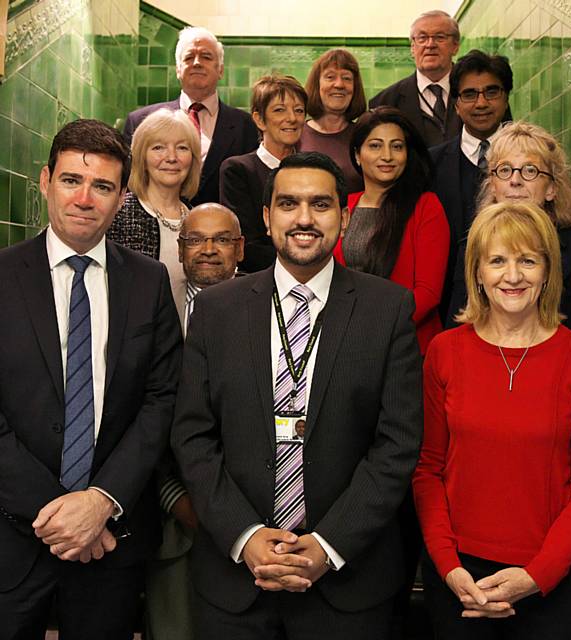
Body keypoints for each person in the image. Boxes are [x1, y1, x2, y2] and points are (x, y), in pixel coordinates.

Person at [171, 151, 423, 639]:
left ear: (344, 216)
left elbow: (397, 445)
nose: (304, 218)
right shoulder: (217, 310)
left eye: (321, 204)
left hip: (348, 585)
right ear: (266, 217)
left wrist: (328, 545)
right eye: (288, 203)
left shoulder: (387, 309)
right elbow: (193, 438)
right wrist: (246, 538)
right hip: (235, 584)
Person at [0, 119, 182, 639]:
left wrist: (101, 500)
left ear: (122, 197)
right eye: (71, 180)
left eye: (102, 186)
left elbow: (162, 398)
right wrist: (59, 514)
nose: (85, 198)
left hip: (113, 539)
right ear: (44, 180)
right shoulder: (2, 277)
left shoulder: (149, 282)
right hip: (11, 537)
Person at [413, 201, 571, 640]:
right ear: (476, 272)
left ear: (548, 271)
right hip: (458, 579)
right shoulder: (443, 352)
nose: (512, 276)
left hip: (554, 583)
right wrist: (449, 567)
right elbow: (427, 470)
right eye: (497, 260)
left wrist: (536, 576)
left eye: (527, 260)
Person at [144, 203, 244, 640]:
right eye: (194, 239)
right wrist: (173, 497)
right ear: (180, 249)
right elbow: (144, 408)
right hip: (172, 515)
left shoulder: (275, 307)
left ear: (240, 249)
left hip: (251, 512)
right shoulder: (150, 304)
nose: (207, 249)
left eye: (221, 239)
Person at [447, 121, 571, 336]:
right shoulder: (472, 247)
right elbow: (461, 326)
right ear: (493, 185)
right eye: (504, 170)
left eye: (530, 170)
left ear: (551, 189)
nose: (515, 180)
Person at [334, 106, 449, 355]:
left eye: (397, 146)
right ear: (357, 155)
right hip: (344, 344)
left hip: (406, 347)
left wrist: (376, 329)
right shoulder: (342, 207)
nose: (387, 155)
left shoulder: (426, 207)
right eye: (375, 145)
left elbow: (428, 294)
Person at [123, 26, 259, 205]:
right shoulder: (140, 121)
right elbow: (128, 184)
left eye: (206, 57)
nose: (196, 62)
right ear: (178, 69)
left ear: (220, 70)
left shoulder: (246, 126)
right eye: (189, 57)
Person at [430, 49, 513, 323]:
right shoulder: (430, 164)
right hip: (448, 308)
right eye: (469, 94)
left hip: (517, 296)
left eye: (491, 92)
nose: (481, 103)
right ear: (455, 103)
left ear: (506, 97)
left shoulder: (530, 158)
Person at [108, 108, 201, 320]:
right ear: (142, 157)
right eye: (159, 147)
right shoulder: (117, 213)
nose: (171, 157)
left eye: (182, 148)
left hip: (187, 348)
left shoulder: (198, 220)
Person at [220, 75, 307, 273]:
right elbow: (246, 246)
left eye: (299, 110)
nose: (292, 118)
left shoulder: (313, 172)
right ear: (259, 119)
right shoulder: (238, 170)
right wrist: (305, 260)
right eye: (279, 110)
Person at [370, 11, 461, 147]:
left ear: (455, 46)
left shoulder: (477, 93)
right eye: (422, 38)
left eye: (440, 37)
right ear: (412, 48)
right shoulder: (385, 102)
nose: (430, 44)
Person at [299, 48, 366, 193]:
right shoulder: (296, 134)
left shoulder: (364, 136)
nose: (339, 84)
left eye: (347, 78)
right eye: (330, 77)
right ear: (317, 85)